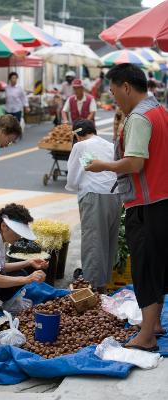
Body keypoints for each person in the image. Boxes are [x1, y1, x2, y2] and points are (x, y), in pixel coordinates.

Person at [86, 63, 168, 352]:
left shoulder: (139, 118)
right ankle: (153, 324)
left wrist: (102, 165)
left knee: (145, 268)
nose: (113, 97)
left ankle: (146, 336)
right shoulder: (159, 110)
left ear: (126, 87)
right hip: (162, 200)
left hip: (145, 204)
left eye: (112, 90)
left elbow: (134, 162)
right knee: (157, 266)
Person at [66, 119, 121, 293]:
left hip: (94, 196)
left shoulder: (80, 146)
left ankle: (94, 290)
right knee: (108, 242)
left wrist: (77, 187)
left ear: (77, 134)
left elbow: (73, 178)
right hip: (115, 196)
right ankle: (103, 286)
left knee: (93, 242)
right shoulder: (109, 145)